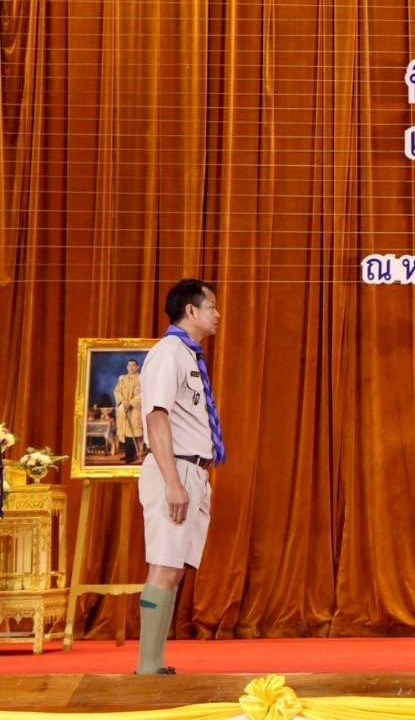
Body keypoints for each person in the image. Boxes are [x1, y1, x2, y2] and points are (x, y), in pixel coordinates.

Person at [136, 279, 226, 675]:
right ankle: (147, 667)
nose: (217, 314)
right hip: (174, 468)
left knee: (173, 567)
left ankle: (156, 664)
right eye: (212, 307)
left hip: (193, 470)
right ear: (191, 310)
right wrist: (172, 481)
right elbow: (156, 416)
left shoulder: (189, 355)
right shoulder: (168, 353)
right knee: (163, 563)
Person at [114, 359, 143, 461]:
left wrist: (131, 403)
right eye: (129, 365)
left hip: (135, 409)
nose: (131, 367)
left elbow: (142, 394)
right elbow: (117, 391)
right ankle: (127, 454)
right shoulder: (122, 379)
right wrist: (122, 402)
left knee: (133, 432)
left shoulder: (141, 378)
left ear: (137, 367)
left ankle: (133, 455)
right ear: (127, 367)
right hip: (124, 408)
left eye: (133, 365)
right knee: (125, 432)